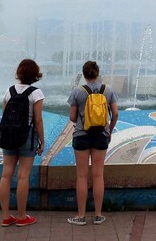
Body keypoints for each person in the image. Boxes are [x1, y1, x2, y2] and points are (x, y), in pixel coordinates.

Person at [67, 60, 119, 226]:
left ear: (84, 74)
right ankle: (98, 215)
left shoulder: (77, 92)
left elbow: (72, 117)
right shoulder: (108, 90)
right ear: (98, 73)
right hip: (101, 135)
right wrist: (109, 130)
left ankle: (81, 216)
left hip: (81, 135)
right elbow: (116, 113)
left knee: (82, 176)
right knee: (98, 175)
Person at [0, 59, 45, 228]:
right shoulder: (36, 93)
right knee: (23, 176)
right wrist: (42, 141)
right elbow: (38, 120)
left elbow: (4, 117)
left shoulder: (9, 91)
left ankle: (5, 216)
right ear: (35, 75)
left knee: (6, 175)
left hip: (9, 136)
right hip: (27, 137)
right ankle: (21, 216)